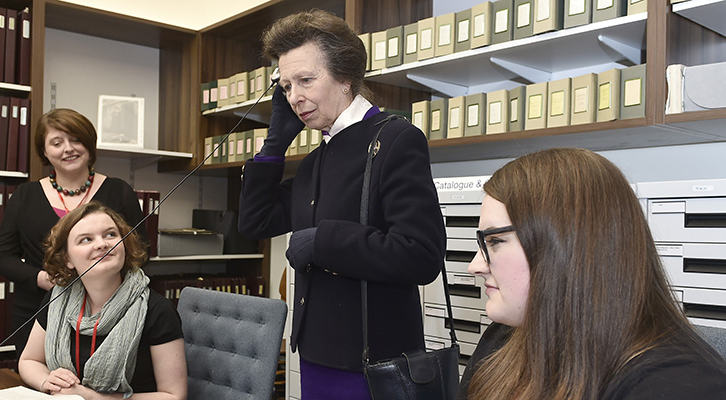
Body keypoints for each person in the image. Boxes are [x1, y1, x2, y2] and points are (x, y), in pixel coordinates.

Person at [238, 9, 446, 399]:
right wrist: (274, 144)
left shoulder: (396, 139)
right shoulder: (316, 159)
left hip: (373, 364)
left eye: (305, 80)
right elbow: (255, 222)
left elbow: (422, 255)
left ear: (346, 76)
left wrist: (323, 242)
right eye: (285, 87)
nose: (294, 96)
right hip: (315, 354)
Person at [459, 148, 726, 400]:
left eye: (494, 242)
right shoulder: (502, 340)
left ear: (565, 246)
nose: (475, 266)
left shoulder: (677, 385)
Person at [0, 108, 147, 359]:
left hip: (109, 310)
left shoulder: (119, 191)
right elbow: (2, 257)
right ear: (44, 152)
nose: (68, 148)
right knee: (40, 383)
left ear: (89, 144)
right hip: (37, 309)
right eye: (57, 142)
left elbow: (141, 251)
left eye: (75, 139)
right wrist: (41, 279)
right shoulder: (24, 195)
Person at [19, 201, 186, 399]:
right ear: (67, 260)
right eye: (86, 239)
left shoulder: (156, 309)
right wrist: (47, 381)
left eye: (110, 234)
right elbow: (29, 360)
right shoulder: (58, 298)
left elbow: (174, 396)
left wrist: (90, 397)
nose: (102, 244)